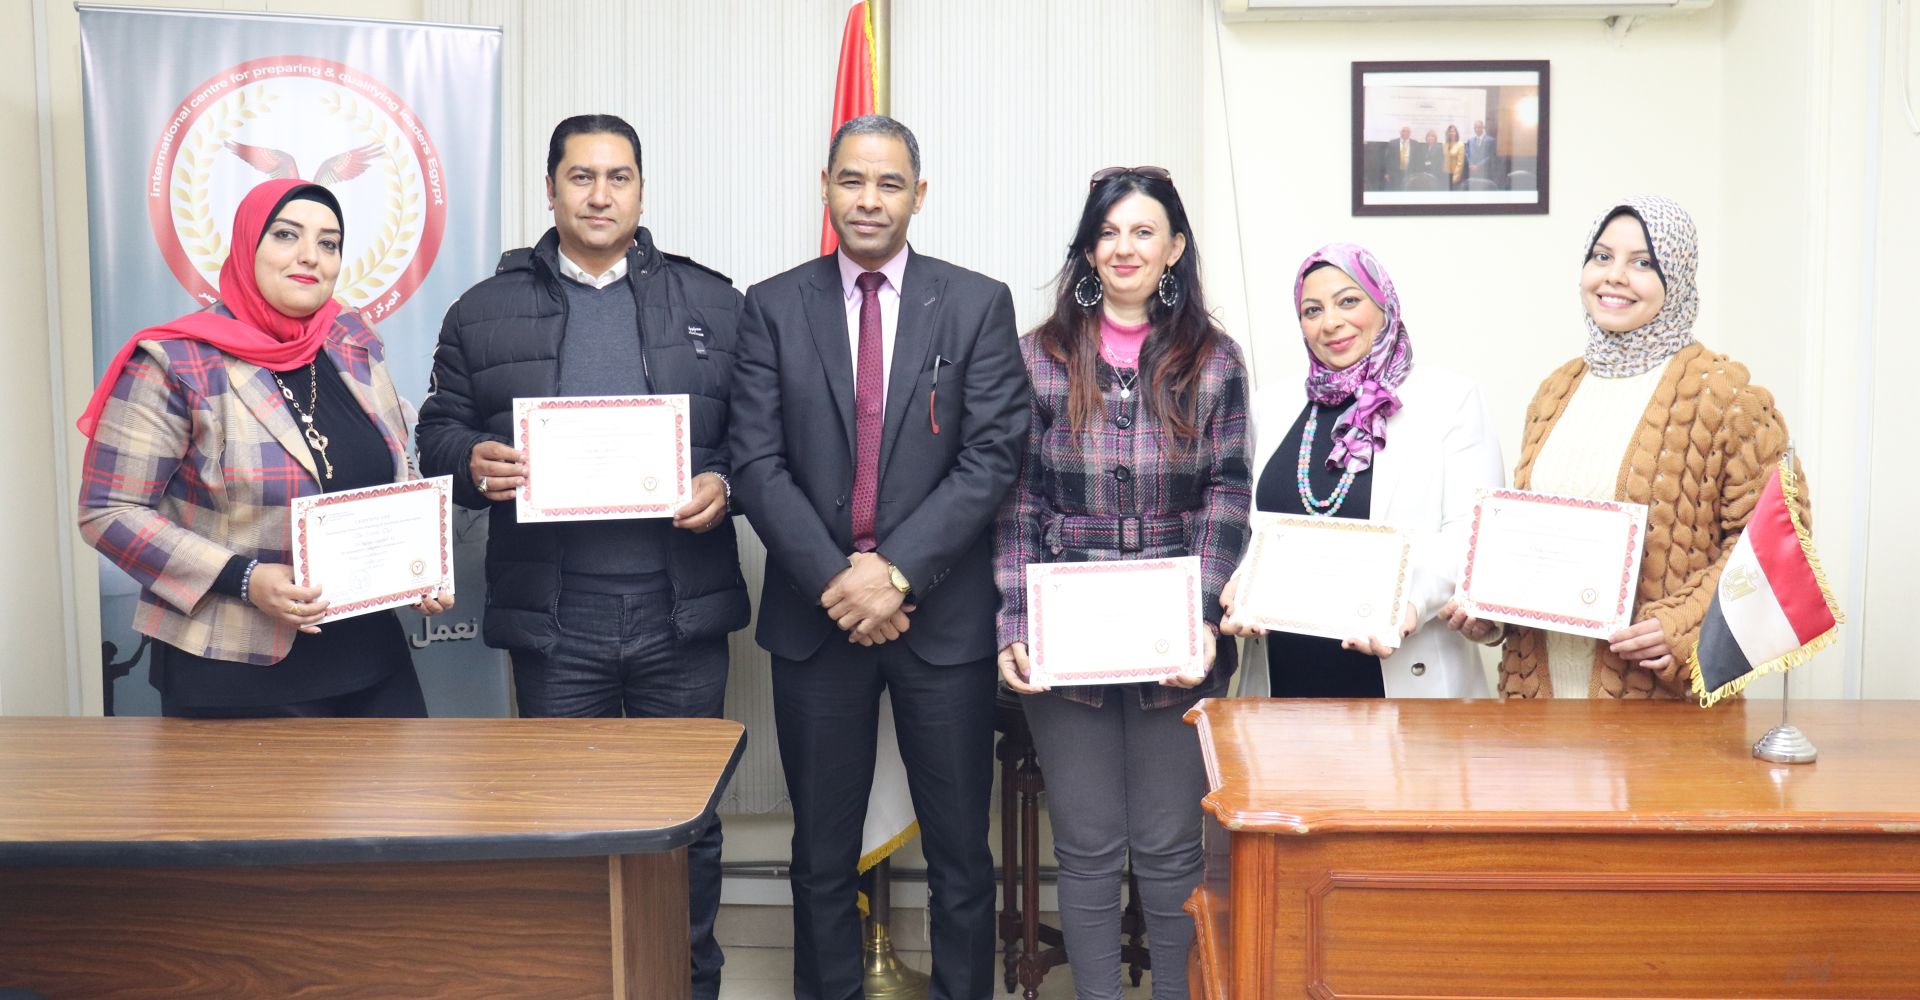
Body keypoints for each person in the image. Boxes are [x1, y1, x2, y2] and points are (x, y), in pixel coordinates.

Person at [413, 114, 747, 1000]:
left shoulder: (714, 305)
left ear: (642, 189)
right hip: (557, 620)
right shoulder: (481, 311)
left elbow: (763, 440)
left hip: (681, 613)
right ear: (551, 188)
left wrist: (725, 484)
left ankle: (688, 984)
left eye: (618, 177)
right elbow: (436, 433)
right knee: (564, 816)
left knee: (688, 824)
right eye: (581, 177)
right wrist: (470, 462)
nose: (601, 195)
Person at [729, 114, 1026, 1000]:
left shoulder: (975, 303)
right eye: (852, 180)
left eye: (889, 183)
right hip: (818, 620)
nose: (869, 199)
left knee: (961, 853)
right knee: (821, 854)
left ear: (918, 196)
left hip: (942, 620)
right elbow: (756, 463)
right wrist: (842, 583)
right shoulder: (771, 306)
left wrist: (892, 574)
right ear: (824, 187)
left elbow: (992, 456)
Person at [994, 166, 1249, 1000]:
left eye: (1143, 232)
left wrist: (1204, 614)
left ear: (1174, 247)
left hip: (1179, 633)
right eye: (1107, 233)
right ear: (1088, 249)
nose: (1124, 248)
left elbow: (1228, 493)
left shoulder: (1215, 360)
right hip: (1067, 630)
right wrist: (1015, 624)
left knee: (1173, 850)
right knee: (1088, 849)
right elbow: (1017, 500)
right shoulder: (1037, 357)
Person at [77, 178, 452, 718]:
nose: (310, 256)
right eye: (286, 235)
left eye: (328, 243)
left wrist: (421, 563)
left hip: (371, 658)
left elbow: (397, 466)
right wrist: (244, 579)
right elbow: (108, 511)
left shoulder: (350, 338)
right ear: (248, 244)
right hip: (233, 669)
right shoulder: (176, 362)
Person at [1444, 195, 1798, 698]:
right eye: (1602, 256)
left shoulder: (1725, 395)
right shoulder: (1556, 391)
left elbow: (1775, 541)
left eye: (1643, 262)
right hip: (1535, 698)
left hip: (1657, 706)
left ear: (1677, 277)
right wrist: (1489, 609)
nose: (1614, 276)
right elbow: (1533, 538)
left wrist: (1684, 624)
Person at [1220, 244, 1503, 698]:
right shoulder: (1269, 406)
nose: (1330, 322)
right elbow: (1246, 525)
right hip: (1284, 682)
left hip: (1405, 672)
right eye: (1312, 310)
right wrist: (1241, 581)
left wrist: (1410, 605)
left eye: (1348, 300)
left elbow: (1470, 533)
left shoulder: (1450, 400)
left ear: (1383, 303)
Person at [1465, 119, 1495, 184]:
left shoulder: (1490, 140)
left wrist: (1478, 166)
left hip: (1485, 172)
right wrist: (1471, 165)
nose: (1477, 129)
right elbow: (1467, 154)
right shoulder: (1470, 141)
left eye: (1479, 127)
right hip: (1472, 172)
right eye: (1475, 127)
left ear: (1483, 127)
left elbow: (1490, 156)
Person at [1443, 124, 1467, 189]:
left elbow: (1460, 163)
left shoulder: (1460, 144)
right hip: (1445, 174)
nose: (1451, 133)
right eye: (1450, 131)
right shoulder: (1445, 144)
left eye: (1453, 131)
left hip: (1455, 174)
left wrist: (1456, 176)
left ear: (1456, 133)